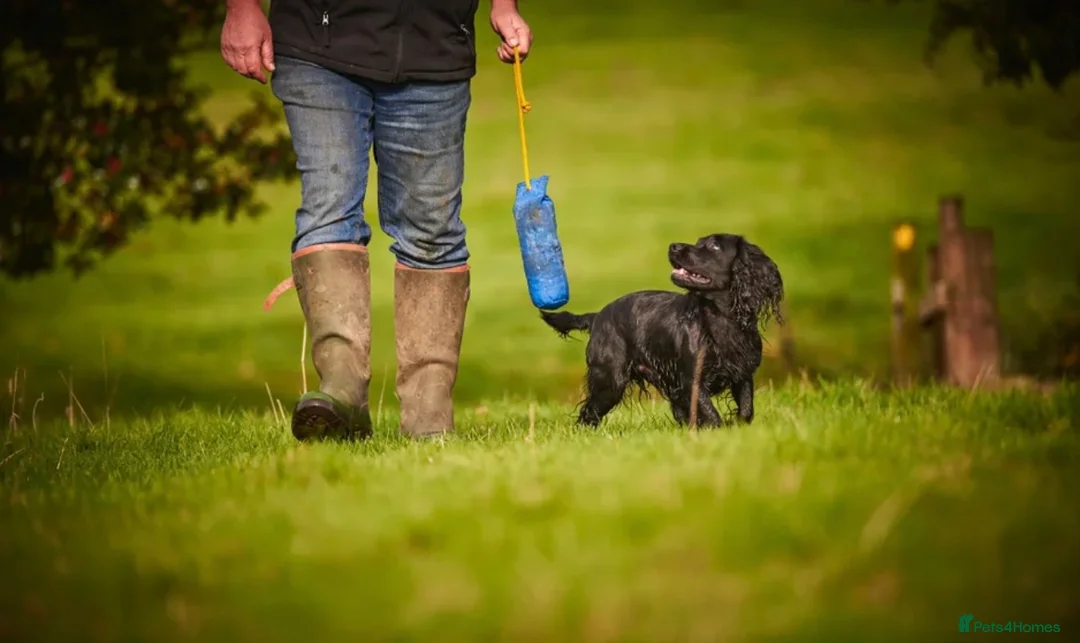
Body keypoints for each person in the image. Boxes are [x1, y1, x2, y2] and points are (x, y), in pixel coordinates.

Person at [221, 0, 532, 441]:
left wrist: (504, 5)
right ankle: (342, 391)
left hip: (435, 44)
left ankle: (429, 417)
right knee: (328, 212)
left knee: (433, 232)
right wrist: (242, 6)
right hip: (317, 40)